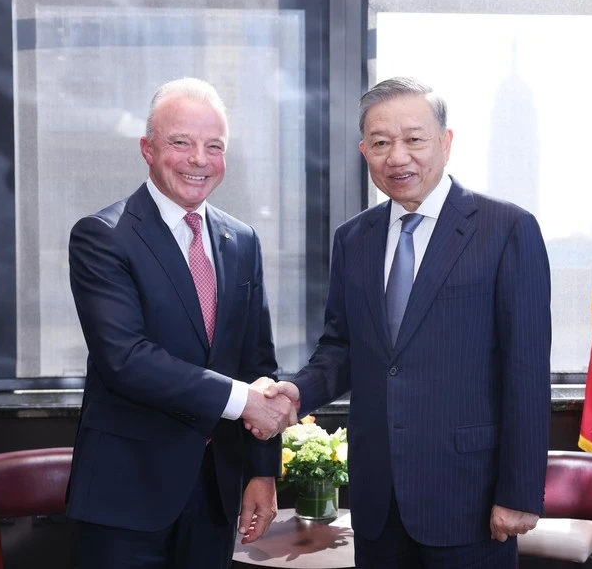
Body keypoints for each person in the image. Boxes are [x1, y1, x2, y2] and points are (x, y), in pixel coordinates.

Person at [281, 76, 552, 568]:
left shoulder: (506, 229)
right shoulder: (352, 239)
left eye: (414, 139)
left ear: (445, 143)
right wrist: (296, 394)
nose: (397, 156)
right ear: (365, 152)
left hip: (470, 498)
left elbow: (527, 370)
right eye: (381, 143)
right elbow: (340, 349)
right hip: (378, 499)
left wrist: (520, 492)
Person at [66, 77, 298, 568]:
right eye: (181, 142)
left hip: (216, 494)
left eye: (214, 146)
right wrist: (243, 403)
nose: (199, 159)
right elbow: (126, 360)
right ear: (147, 149)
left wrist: (262, 472)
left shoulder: (242, 240)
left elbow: (258, 359)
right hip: (126, 498)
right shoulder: (103, 237)